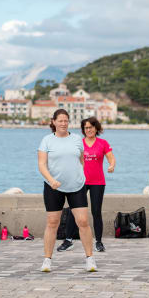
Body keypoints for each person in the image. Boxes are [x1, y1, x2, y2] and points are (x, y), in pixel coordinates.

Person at [37, 109, 97, 273]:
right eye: (60, 121)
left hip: (76, 186)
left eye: (66, 121)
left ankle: (90, 259)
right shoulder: (47, 140)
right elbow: (42, 164)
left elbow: (81, 160)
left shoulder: (77, 139)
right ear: (54, 122)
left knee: (83, 221)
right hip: (53, 187)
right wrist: (51, 180)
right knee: (52, 223)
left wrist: (79, 176)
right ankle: (47, 260)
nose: (63, 123)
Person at [57, 117, 115, 253]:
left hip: (98, 182)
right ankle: (68, 240)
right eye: (86, 128)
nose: (88, 130)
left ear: (96, 128)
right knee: (74, 211)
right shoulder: (79, 142)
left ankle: (99, 242)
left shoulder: (103, 143)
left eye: (91, 127)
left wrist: (111, 165)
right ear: (83, 130)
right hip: (79, 182)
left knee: (96, 212)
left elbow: (111, 157)